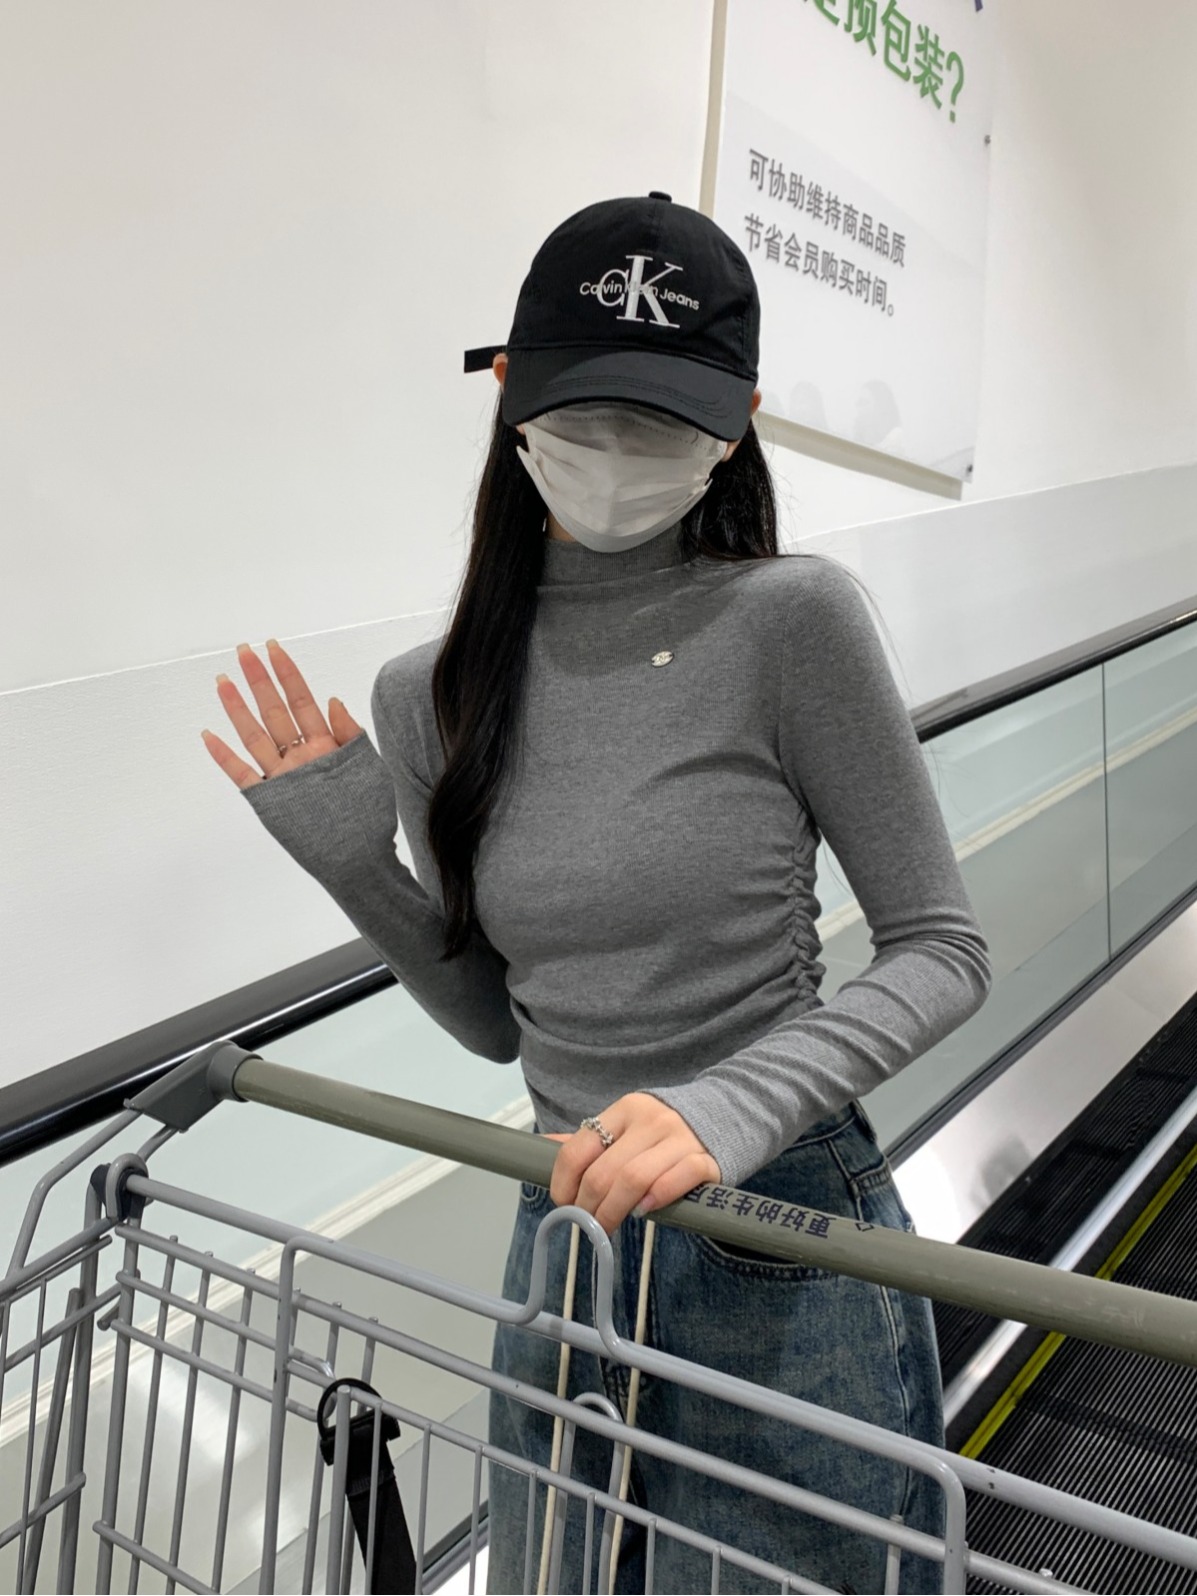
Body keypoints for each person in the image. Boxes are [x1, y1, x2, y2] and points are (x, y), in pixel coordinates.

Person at [201, 192, 992, 1594]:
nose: (619, 452)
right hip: (562, 1225)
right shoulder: (430, 693)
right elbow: (494, 1024)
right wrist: (356, 866)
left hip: (778, 1225)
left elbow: (940, 948)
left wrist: (720, 1110)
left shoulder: (791, 622)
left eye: (662, 418)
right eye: (586, 409)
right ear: (510, 392)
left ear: (736, 425)